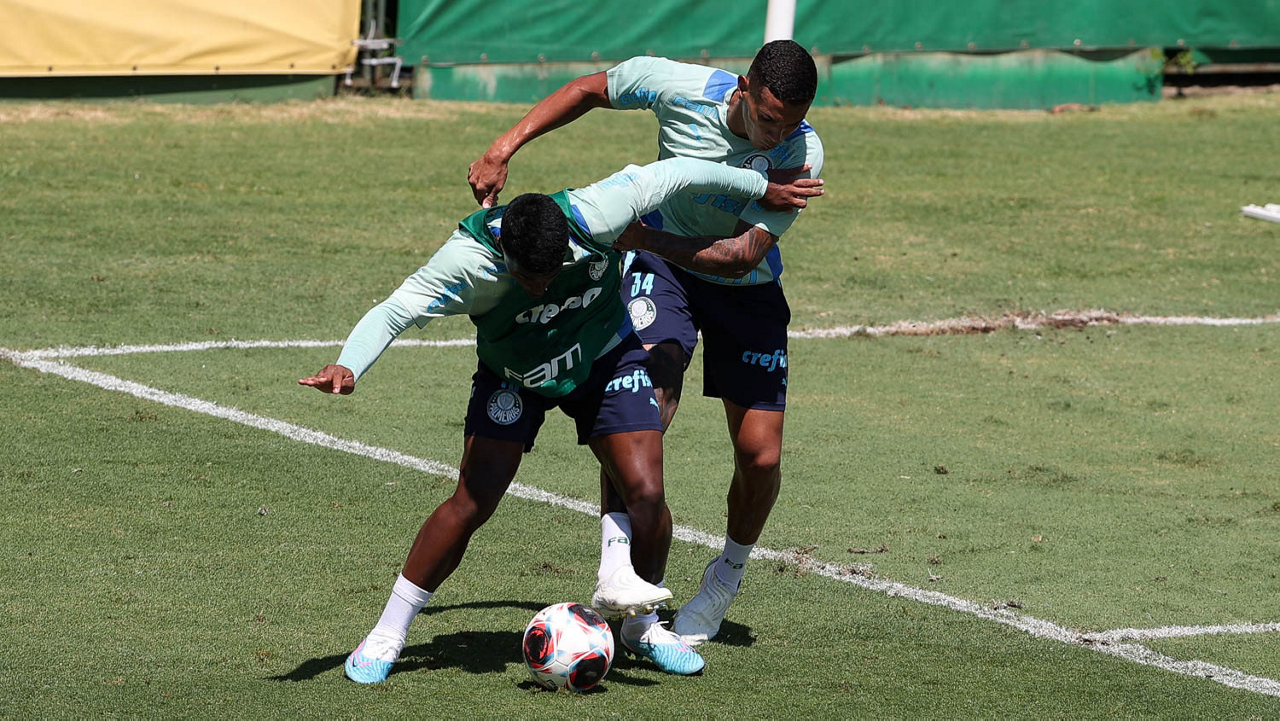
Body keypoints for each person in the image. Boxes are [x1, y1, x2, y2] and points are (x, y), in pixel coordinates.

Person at [299, 157, 802, 684]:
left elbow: (679, 172)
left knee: (647, 494)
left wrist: (761, 185)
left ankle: (642, 626)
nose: (540, 287)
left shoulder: (600, 211)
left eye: (551, 271)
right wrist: (348, 364)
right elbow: (393, 310)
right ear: (505, 255)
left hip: (605, 356)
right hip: (516, 374)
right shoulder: (465, 264)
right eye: (528, 277)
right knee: (473, 500)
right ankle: (388, 632)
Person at [469, 40, 824, 646]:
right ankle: (618, 569)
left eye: (791, 122)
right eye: (769, 119)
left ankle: (723, 580)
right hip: (664, 273)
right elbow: (588, 89)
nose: (778, 135)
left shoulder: (801, 151)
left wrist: (640, 237)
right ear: (743, 88)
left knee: (761, 457)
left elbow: (741, 257)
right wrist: (504, 147)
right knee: (644, 405)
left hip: (743, 288)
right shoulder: (677, 88)